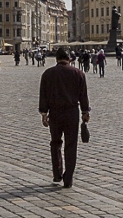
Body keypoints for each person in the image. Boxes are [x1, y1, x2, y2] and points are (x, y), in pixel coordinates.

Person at [39, 47, 91, 189]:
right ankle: (68, 179)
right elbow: (83, 96)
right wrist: (85, 112)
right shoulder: (78, 73)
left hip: (55, 113)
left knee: (55, 143)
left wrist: (44, 114)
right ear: (69, 59)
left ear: (56, 59)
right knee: (71, 145)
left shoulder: (48, 74)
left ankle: (57, 173)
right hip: (72, 113)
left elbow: (43, 95)